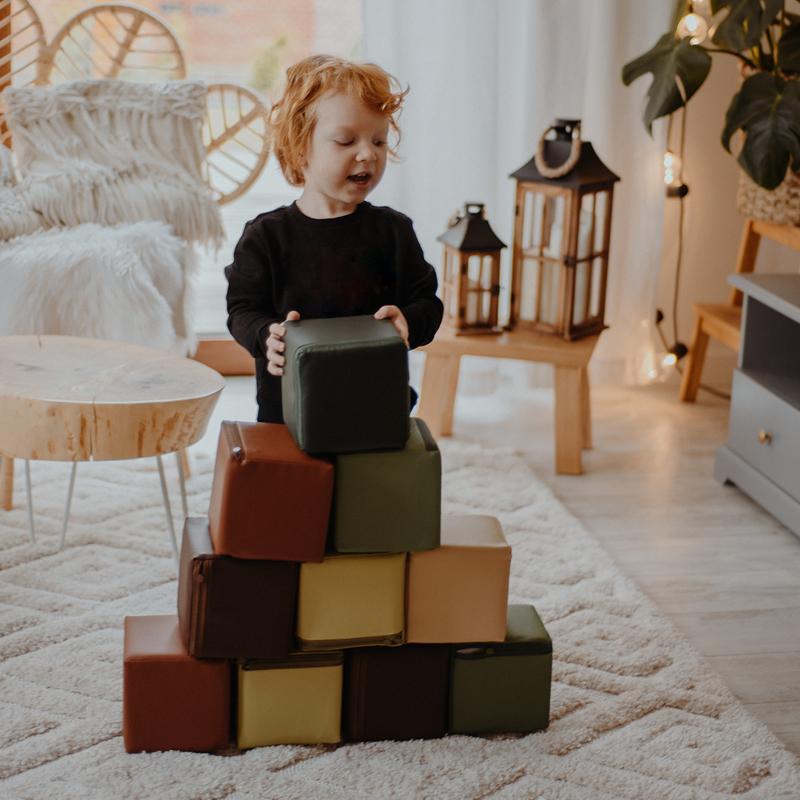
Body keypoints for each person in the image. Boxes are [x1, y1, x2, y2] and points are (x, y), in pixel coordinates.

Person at [225, 54, 443, 424]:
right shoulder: (267, 237)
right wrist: (267, 335)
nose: (367, 154)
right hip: (290, 414)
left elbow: (428, 304)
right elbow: (242, 310)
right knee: (294, 484)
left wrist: (408, 320)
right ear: (299, 150)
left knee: (375, 483)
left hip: (376, 409)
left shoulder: (393, 232)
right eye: (345, 141)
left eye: (378, 141)